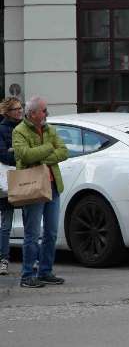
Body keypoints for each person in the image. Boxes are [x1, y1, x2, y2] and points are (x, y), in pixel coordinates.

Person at [11, 96, 67, 289]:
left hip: (52, 186)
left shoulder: (50, 129)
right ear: (32, 113)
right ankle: (27, 275)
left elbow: (64, 151)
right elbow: (25, 155)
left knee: (51, 232)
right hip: (33, 186)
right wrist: (49, 148)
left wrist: (42, 155)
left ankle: (45, 271)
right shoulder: (19, 131)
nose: (46, 113)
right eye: (43, 110)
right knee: (32, 234)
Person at [0, 97, 20, 276]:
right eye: (16, 109)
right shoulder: (1, 129)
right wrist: (22, 156)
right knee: (6, 223)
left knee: (31, 221)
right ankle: (3, 259)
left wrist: (14, 151)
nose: (19, 111)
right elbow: (3, 155)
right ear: (8, 112)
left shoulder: (25, 127)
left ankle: (32, 258)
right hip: (8, 180)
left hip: (25, 178)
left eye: (20, 108)